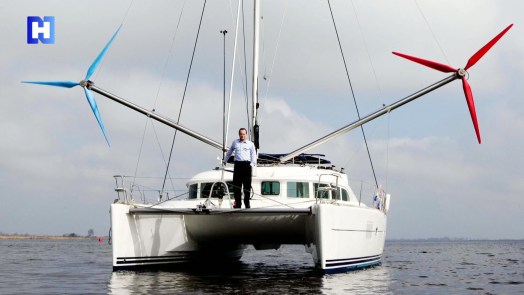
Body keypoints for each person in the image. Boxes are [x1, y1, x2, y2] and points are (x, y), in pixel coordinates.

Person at [224, 128, 257, 208]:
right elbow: (229, 152)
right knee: (237, 186)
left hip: (246, 165)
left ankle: (247, 203)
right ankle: (238, 204)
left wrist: (252, 164)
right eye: (241, 134)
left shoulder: (250, 144)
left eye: (244, 134)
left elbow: (253, 155)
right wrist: (225, 160)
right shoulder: (235, 142)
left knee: (247, 186)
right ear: (239, 134)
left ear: (246, 134)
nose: (242, 136)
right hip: (238, 165)